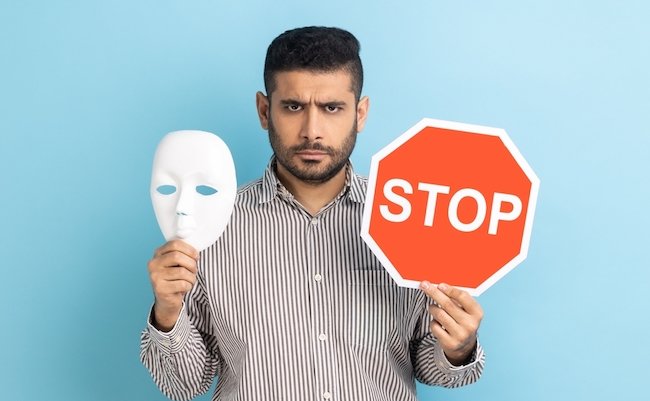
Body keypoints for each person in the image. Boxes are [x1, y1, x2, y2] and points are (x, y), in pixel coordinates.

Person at [141, 26, 485, 401]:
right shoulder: (211, 221)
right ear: (263, 110)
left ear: (361, 113)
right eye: (293, 106)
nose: (312, 131)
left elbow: (433, 369)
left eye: (332, 108)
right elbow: (183, 385)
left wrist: (458, 347)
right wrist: (168, 313)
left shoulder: (411, 216)